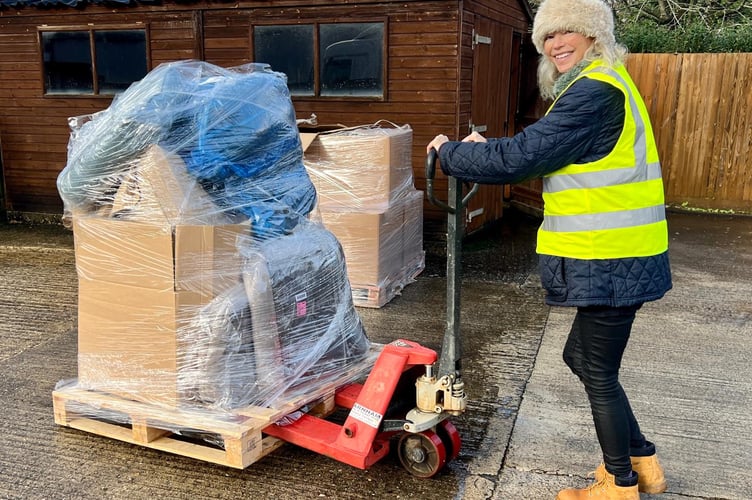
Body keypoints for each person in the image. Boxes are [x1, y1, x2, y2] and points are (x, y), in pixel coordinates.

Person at [426, 0, 672, 498]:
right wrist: (481, 150)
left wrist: (450, 153)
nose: (557, 44)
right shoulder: (601, 86)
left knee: (594, 367)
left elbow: (523, 157)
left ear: (594, 36)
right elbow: (545, 147)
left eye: (568, 33)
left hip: (613, 257)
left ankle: (618, 482)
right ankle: (643, 462)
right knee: (584, 358)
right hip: (621, 256)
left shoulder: (594, 92)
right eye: (548, 37)